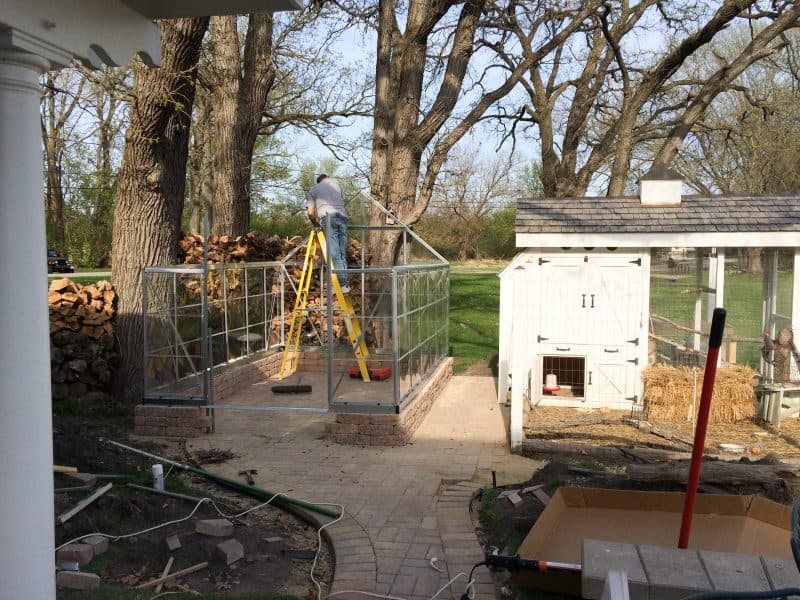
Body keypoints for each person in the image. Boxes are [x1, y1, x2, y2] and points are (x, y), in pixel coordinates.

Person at [306, 174, 351, 293]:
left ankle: (342, 284)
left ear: (318, 181)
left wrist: (316, 223)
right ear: (327, 178)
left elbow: (310, 213)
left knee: (334, 253)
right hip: (343, 218)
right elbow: (340, 200)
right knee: (341, 253)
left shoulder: (313, 189)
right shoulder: (337, 184)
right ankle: (345, 284)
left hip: (328, 217)